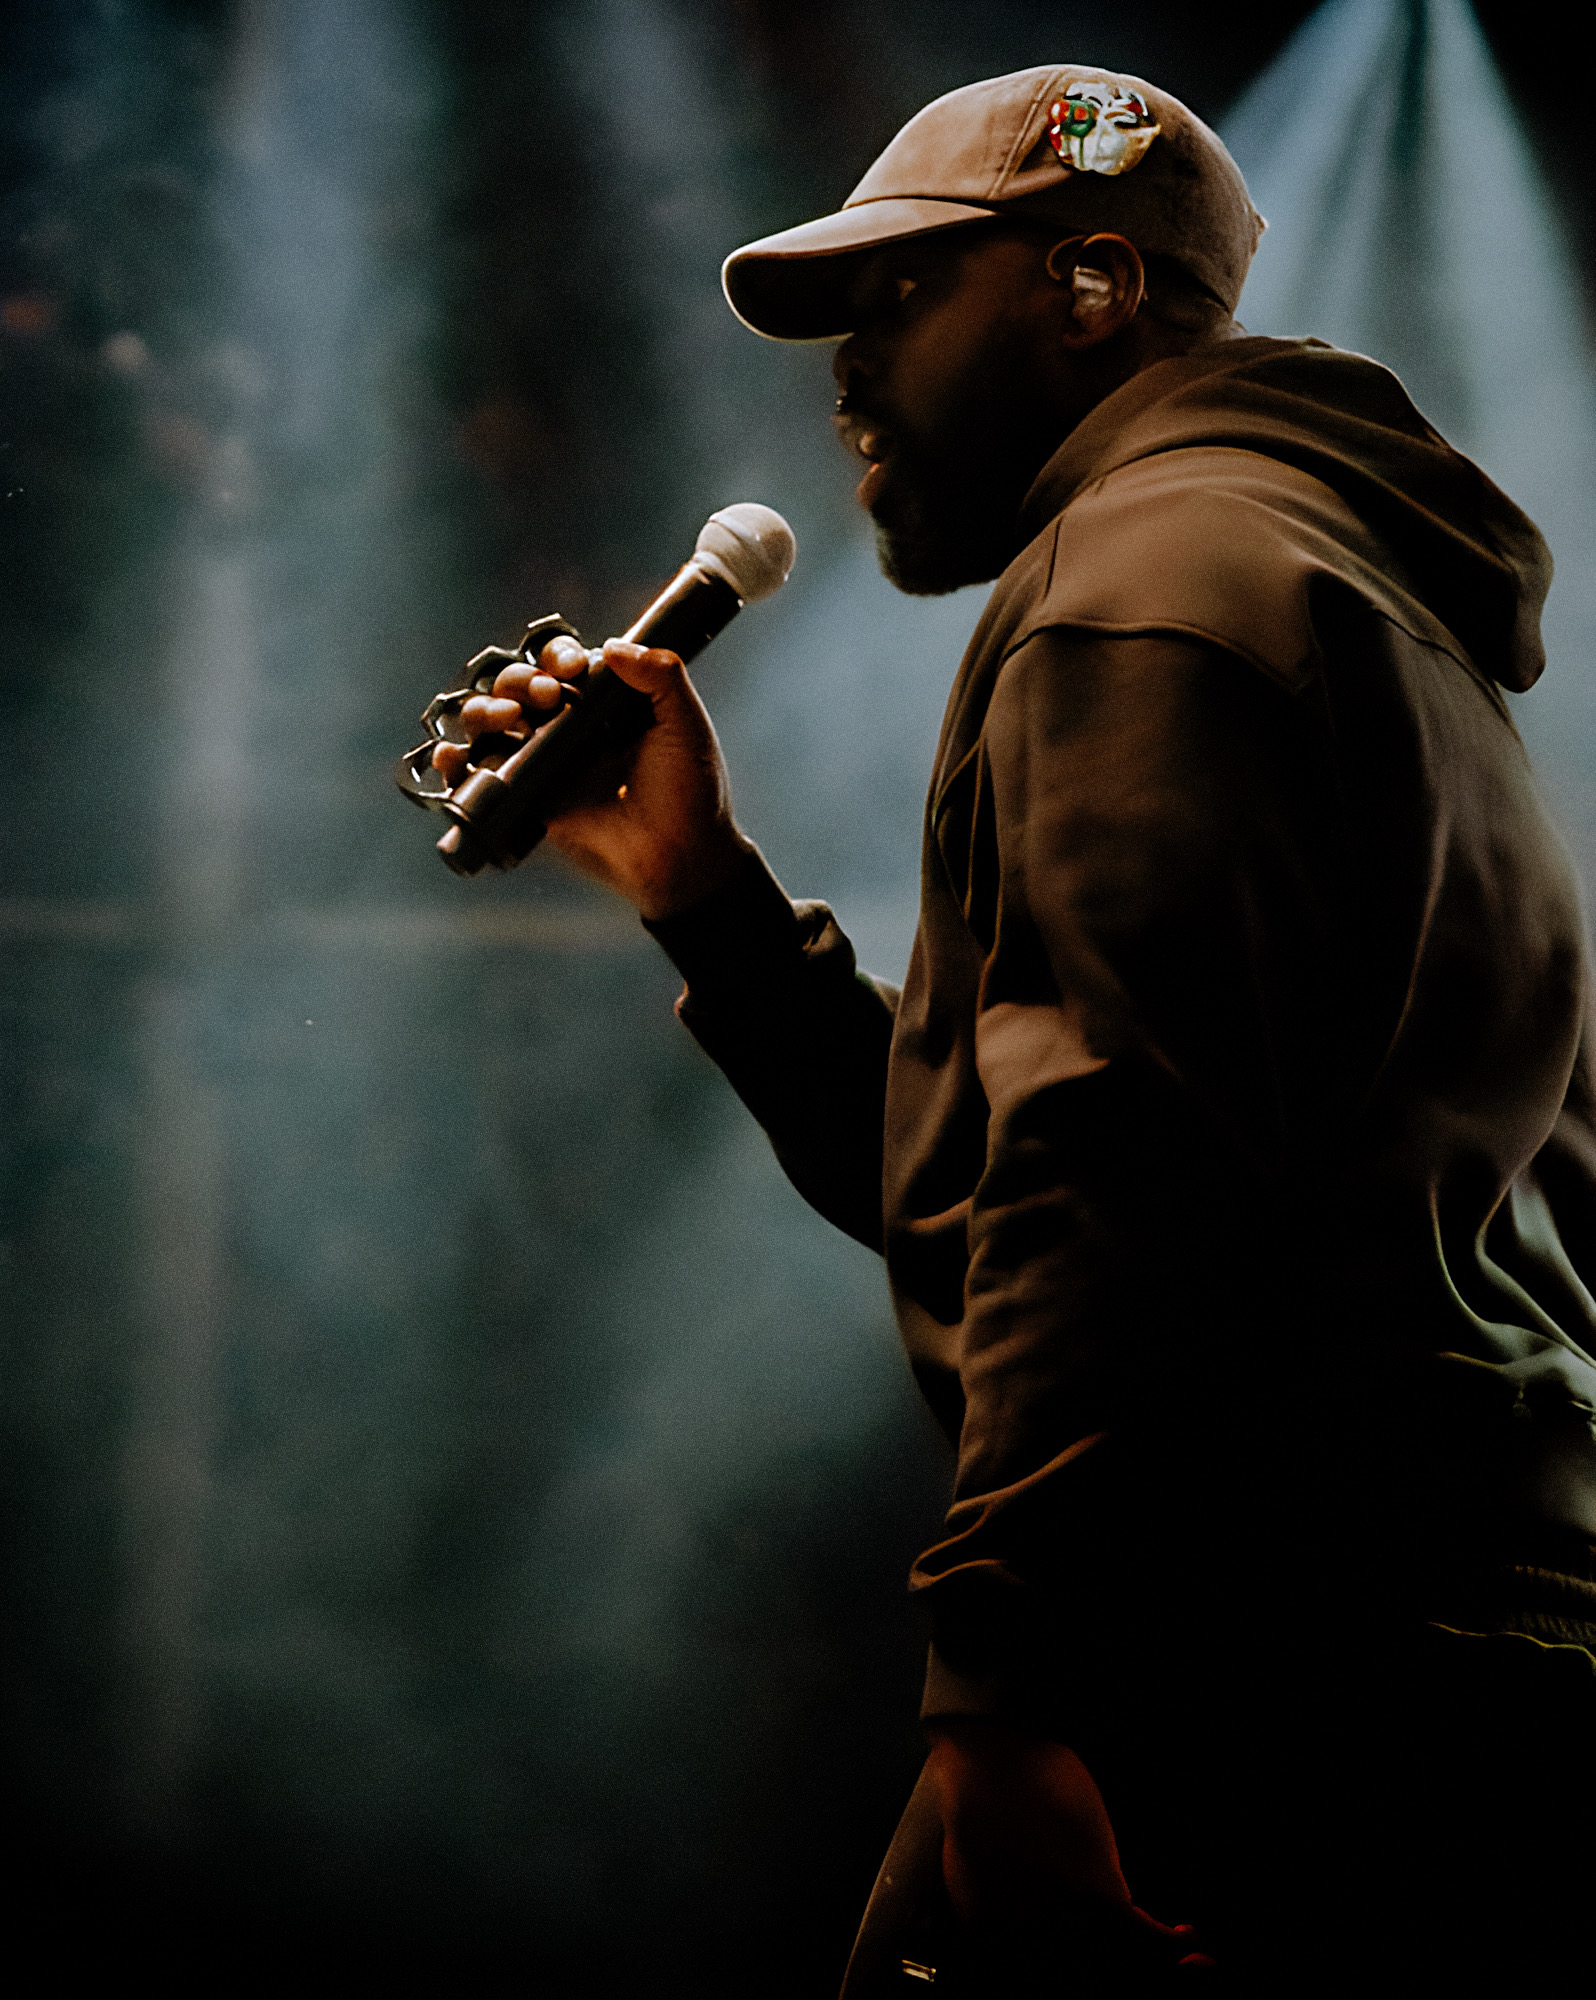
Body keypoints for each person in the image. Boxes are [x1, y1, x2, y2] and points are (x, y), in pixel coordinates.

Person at [436, 67, 1596, 1990]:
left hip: (1261, 1639)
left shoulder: (1138, 592)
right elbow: (1011, 1184)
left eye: (899, 294)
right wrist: (706, 898)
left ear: (1090, 285)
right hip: (1427, 1608)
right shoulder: (1326, 580)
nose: (848, 369)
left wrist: (1010, 1692)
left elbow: (1112, 1166)